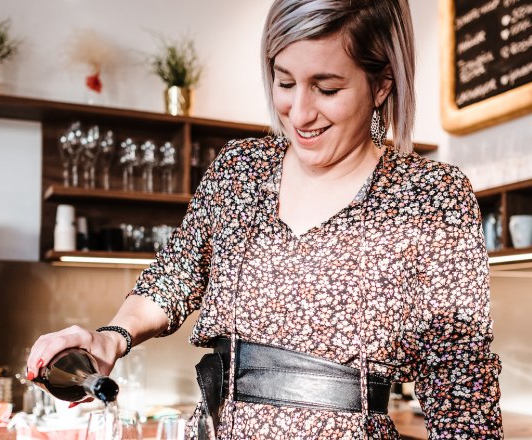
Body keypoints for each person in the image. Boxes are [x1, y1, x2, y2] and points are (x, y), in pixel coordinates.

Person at [26, 0, 503, 438]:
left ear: (382, 85)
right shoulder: (240, 169)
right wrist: (110, 337)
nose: (300, 113)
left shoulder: (430, 194)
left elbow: (461, 385)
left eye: (327, 88)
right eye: (285, 82)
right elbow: (173, 279)